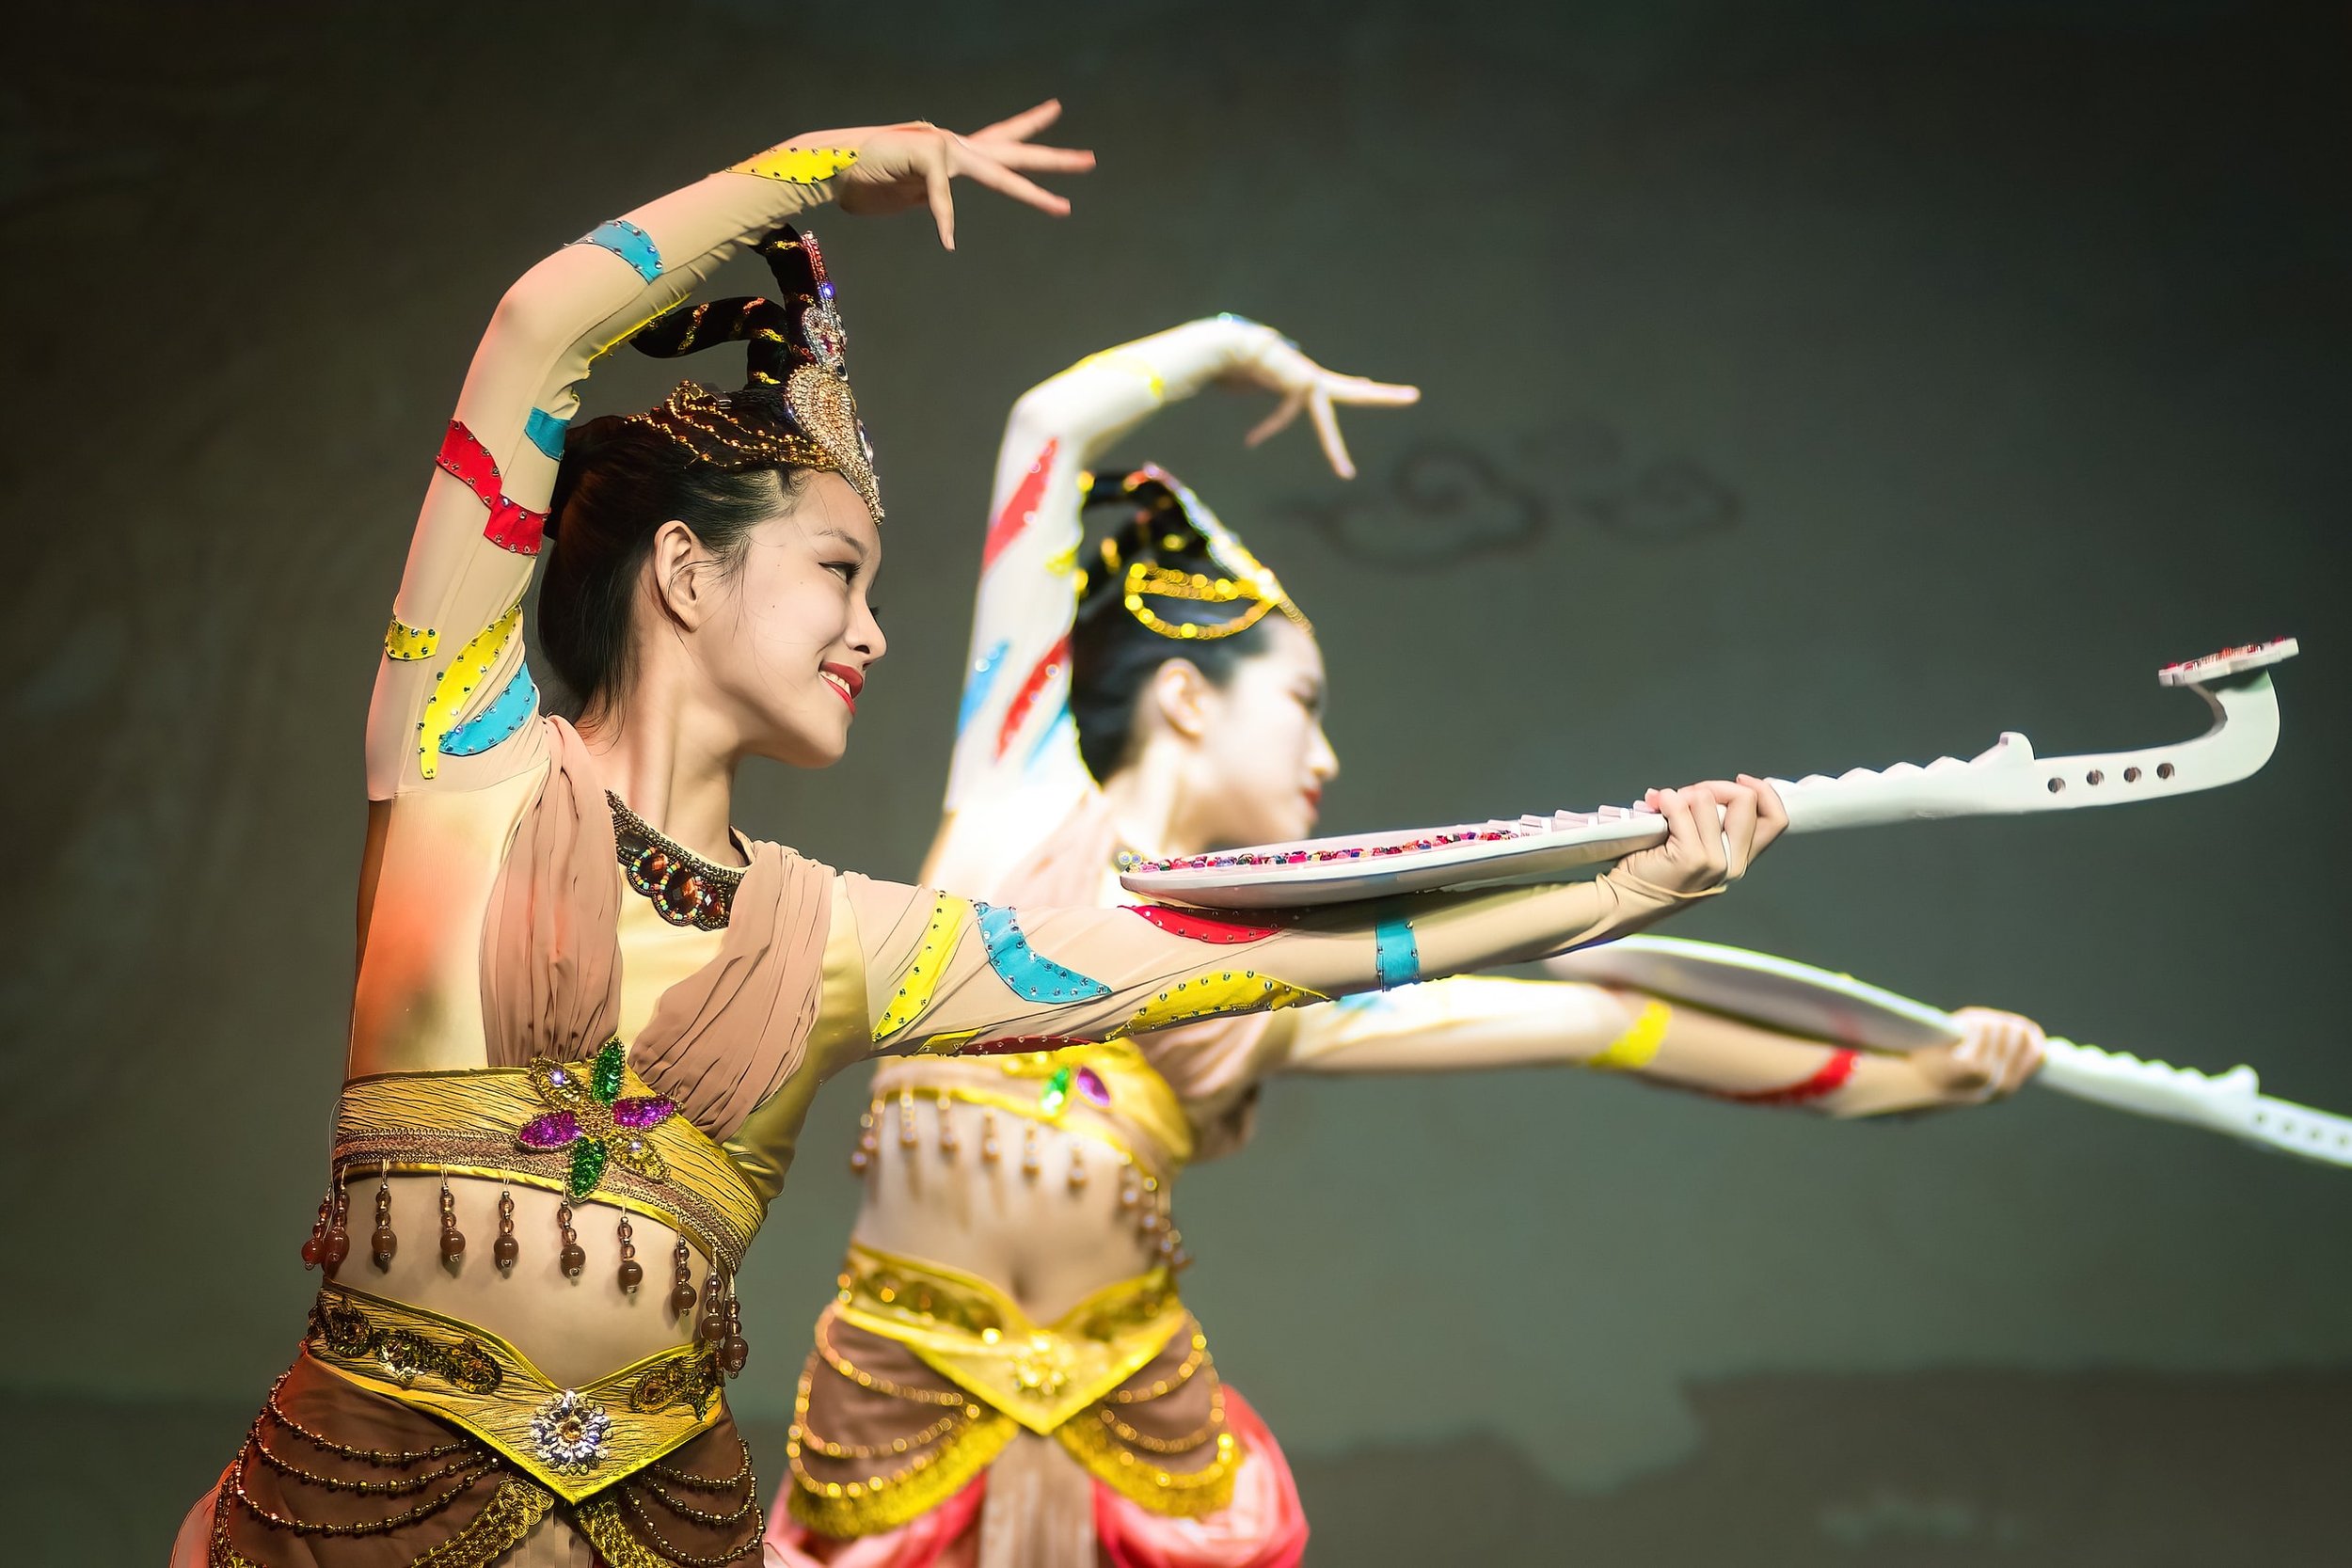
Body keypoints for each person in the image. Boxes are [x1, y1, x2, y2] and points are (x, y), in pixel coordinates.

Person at [171, 111, 1778, 1568]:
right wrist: (806, 173)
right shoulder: (459, 759)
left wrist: (1616, 885)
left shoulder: (851, 939)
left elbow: (1233, 959)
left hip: (668, 1533)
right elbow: (538, 330)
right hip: (354, 1512)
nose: (874, 632)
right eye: (838, 573)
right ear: (680, 569)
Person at [765, 316, 2043, 1568]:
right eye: (1305, 706)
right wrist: (1227, 345)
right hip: (900, 1408)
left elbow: (1603, 1021)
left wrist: (1916, 1078)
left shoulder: (1274, 986)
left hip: (1135, 1427)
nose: (1328, 756)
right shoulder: (1017, 791)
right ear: (1188, 696)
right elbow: (1050, 426)